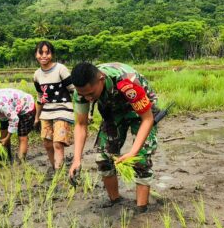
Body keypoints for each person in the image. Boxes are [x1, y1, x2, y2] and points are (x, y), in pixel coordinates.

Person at [68, 62, 159, 214]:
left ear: (101, 79)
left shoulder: (127, 83)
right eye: (84, 95)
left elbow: (147, 119)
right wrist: (77, 159)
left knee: (141, 159)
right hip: (113, 109)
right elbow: (81, 125)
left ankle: (141, 209)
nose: (88, 99)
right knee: (103, 157)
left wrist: (133, 152)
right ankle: (115, 202)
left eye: (91, 94)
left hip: (142, 110)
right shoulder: (82, 92)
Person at [33, 41, 75, 174]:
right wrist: (36, 117)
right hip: (46, 112)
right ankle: (55, 168)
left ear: (52, 54)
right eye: (41, 52)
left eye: (47, 52)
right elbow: (40, 97)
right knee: (47, 144)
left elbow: (74, 90)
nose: (44, 56)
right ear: (36, 54)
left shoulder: (61, 69)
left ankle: (58, 172)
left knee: (58, 143)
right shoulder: (37, 75)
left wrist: (84, 112)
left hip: (63, 109)